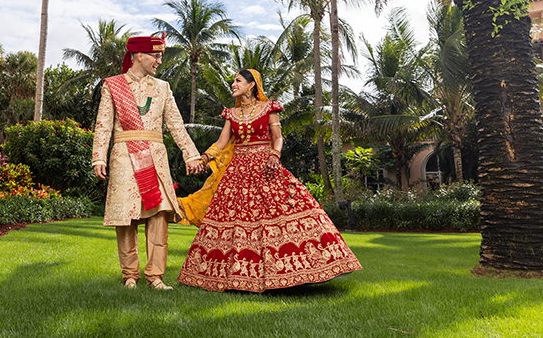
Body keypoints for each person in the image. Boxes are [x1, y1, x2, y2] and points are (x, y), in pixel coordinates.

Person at [178, 69, 362, 292]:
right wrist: (204, 158)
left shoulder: (269, 108)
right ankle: (237, 275)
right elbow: (222, 142)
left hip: (266, 167)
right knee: (235, 220)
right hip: (237, 172)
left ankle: (295, 271)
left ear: (251, 85)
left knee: (278, 214)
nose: (233, 85)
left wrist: (275, 155)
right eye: (233, 81)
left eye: (238, 81)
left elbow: (278, 138)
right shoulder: (230, 114)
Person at [92, 34, 205, 290]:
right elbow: (103, 124)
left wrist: (191, 153)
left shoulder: (163, 87)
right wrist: (98, 156)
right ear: (139, 55)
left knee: (158, 216)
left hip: (155, 157)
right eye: (156, 56)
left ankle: (155, 276)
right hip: (123, 157)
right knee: (126, 217)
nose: (159, 61)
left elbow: (175, 124)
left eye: (160, 56)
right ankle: (129, 275)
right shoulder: (113, 85)